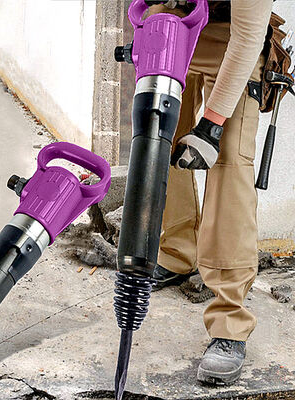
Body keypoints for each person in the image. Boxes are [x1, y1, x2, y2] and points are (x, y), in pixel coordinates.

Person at [147, 0, 274, 385]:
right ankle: (177, 251)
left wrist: (211, 126)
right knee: (161, 143)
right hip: (175, 31)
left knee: (229, 165)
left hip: (233, 41)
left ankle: (230, 322)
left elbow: (247, 36)